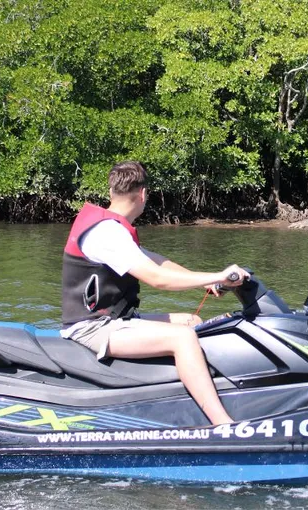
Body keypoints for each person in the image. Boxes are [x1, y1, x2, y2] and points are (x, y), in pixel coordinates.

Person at [60, 161, 247, 425]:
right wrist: (219, 276)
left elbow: (156, 261)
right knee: (182, 338)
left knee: (191, 321)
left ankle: (192, 396)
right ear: (143, 194)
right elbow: (156, 278)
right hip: (92, 327)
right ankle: (223, 424)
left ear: (112, 191)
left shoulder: (112, 228)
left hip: (114, 321)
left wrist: (204, 281)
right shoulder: (106, 234)